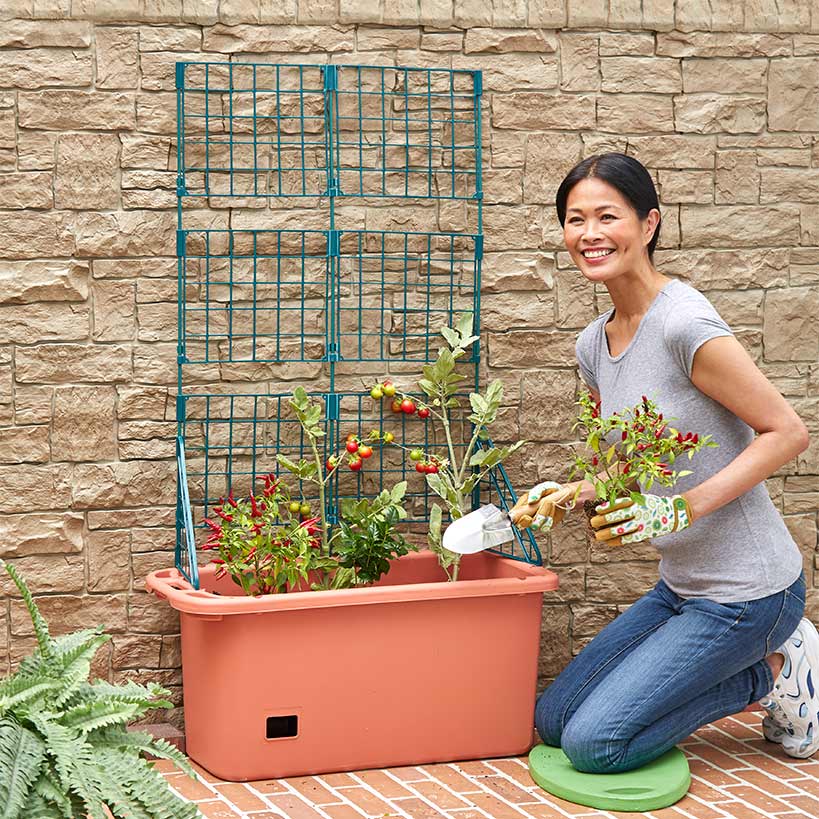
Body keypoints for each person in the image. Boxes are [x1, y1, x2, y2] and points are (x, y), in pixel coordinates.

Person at [510, 153, 815, 774]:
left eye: (606, 216)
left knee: (597, 745)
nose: (589, 234)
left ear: (648, 224)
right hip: (681, 587)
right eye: (575, 219)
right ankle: (764, 663)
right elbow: (617, 469)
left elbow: (787, 432)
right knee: (553, 721)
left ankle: (779, 668)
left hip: (748, 594)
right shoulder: (594, 343)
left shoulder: (685, 325)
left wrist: (679, 507)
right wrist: (567, 492)